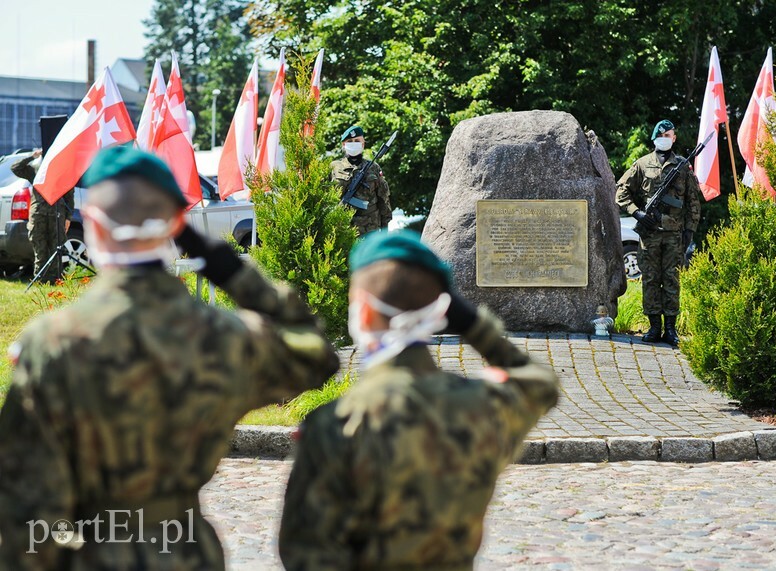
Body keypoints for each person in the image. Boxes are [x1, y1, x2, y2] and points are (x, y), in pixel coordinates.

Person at [0, 146, 339, 570]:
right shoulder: (224, 336)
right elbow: (315, 355)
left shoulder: (49, 343)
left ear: (94, 228)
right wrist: (229, 270)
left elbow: (19, 500)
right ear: (175, 229)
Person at [279, 230, 560, 570]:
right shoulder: (484, 406)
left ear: (364, 312)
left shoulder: (337, 423)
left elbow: (305, 553)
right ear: (439, 311)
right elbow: (541, 383)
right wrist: (472, 323)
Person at [616, 119, 701, 347]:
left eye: (669, 135)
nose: (665, 138)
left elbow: (693, 201)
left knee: (671, 280)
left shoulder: (683, 166)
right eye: (661, 135)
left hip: (674, 235)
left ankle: (670, 329)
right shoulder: (642, 164)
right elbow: (621, 192)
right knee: (651, 280)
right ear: (655, 138)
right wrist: (637, 213)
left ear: (674, 138)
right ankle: (654, 327)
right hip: (650, 234)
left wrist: (689, 231)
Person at [11, 149, 74, 282]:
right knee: (40, 251)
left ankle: (55, 281)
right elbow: (16, 168)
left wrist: (68, 217)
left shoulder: (63, 173)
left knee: (56, 251)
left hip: (57, 216)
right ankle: (40, 282)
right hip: (39, 216)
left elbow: (69, 197)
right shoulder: (37, 172)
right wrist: (32, 156)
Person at [330, 125, 392, 236]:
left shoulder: (373, 167)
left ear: (363, 144)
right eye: (350, 141)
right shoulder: (334, 167)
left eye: (357, 140)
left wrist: (384, 230)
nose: (353, 143)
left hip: (370, 230)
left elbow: (384, 200)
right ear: (343, 145)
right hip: (342, 229)